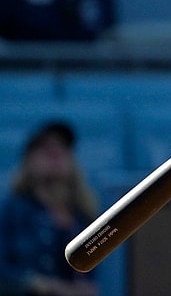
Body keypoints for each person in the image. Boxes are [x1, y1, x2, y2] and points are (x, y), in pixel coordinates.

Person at [0, 121, 99, 296]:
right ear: (29, 160)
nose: (55, 154)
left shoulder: (83, 214)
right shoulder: (12, 211)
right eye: (45, 149)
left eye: (62, 148)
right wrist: (42, 285)